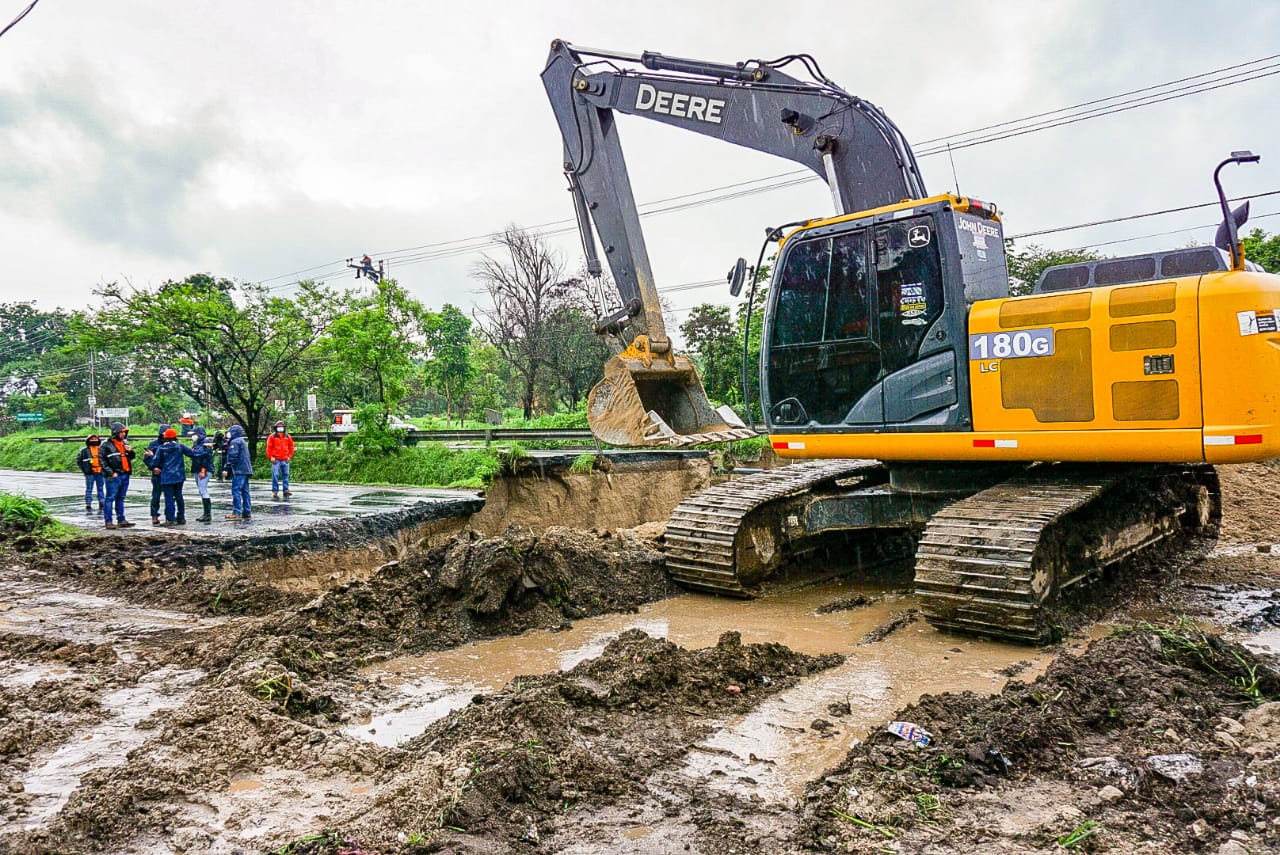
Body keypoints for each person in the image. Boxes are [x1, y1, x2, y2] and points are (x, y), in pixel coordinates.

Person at [151, 427, 198, 525]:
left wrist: (151, 456)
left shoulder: (161, 448)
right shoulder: (180, 446)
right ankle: (181, 517)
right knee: (179, 496)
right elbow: (192, 454)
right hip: (179, 475)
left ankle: (170, 519)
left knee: (169, 497)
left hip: (166, 476)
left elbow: (155, 462)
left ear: (165, 437)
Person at [99, 422, 136, 529]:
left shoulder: (125, 443)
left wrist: (130, 451)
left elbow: (131, 457)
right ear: (116, 432)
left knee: (121, 497)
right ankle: (108, 521)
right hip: (114, 475)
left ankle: (121, 520)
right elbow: (102, 460)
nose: (124, 434)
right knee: (110, 498)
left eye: (124, 432)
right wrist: (111, 473)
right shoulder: (105, 445)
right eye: (122, 432)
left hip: (125, 474)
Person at [221, 424, 253, 520]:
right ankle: (247, 511)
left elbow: (233, 456)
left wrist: (226, 468)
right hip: (246, 469)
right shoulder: (242, 441)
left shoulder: (235, 442)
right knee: (245, 491)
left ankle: (236, 511)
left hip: (239, 470)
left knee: (236, 490)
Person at [143, 424, 171, 526]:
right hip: (157, 474)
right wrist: (153, 467)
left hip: (169, 473)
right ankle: (154, 516)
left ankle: (170, 516)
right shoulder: (154, 444)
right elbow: (146, 458)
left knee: (170, 496)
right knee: (156, 496)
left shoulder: (173, 444)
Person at [189, 426, 215, 522]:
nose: (193, 436)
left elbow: (206, 457)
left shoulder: (206, 442)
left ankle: (208, 514)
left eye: (194, 434)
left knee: (203, 489)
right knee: (201, 490)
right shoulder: (197, 443)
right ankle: (205, 513)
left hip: (204, 470)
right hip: (196, 469)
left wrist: (203, 470)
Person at [75, 434, 106, 513]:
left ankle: (102, 502)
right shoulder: (84, 451)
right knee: (89, 489)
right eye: (92, 439)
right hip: (89, 473)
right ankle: (88, 503)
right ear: (88, 440)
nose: (94, 440)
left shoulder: (102, 450)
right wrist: (85, 470)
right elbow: (79, 461)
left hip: (100, 472)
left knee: (100, 489)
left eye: (95, 439)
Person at [266, 420, 295, 500]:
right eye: (279, 427)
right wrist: (271, 457)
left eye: (281, 427)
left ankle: (286, 490)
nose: (280, 428)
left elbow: (291, 447)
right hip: (276, 459)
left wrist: (289, 456)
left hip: (285, 459)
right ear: (276, 428)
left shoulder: (288, 436)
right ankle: (275, 491)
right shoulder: (272, 437)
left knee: (286, 475)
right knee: (275, 475)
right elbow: (269, 448)